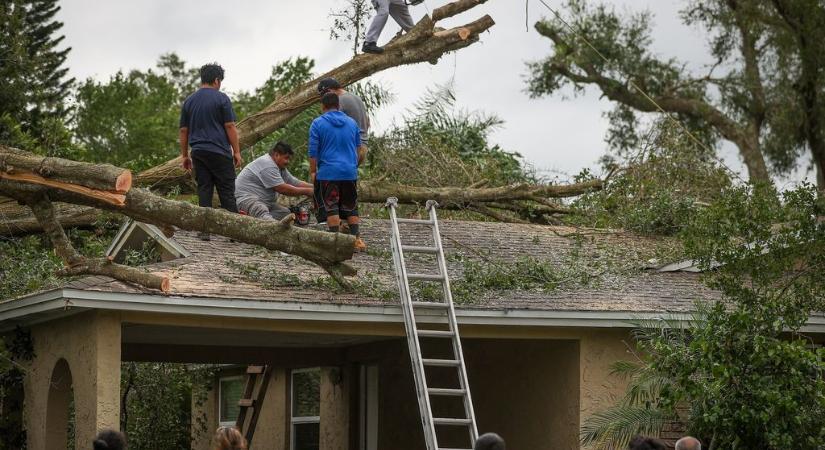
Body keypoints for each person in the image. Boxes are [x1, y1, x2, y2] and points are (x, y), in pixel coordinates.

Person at [180, 62, 242, 240]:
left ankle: (205, 230)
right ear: (216, 80)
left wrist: (185, 155)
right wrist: (236, 151)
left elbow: (184, 131)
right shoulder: (222, 98)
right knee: (227, 191)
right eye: (220, 81)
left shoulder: (189, 101)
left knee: (204, 189)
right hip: (220, 151)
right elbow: (229, 125)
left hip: (198, 151)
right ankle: (235, 232)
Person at [309, 92, 366, 251]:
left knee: (331, 206)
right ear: (339, 106)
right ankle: (357, 240)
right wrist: (351, 166)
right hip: (349, 172)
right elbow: (359, 148)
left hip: (328, 172)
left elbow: (313, 152)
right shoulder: (352, 123)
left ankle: (335, 242)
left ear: (323, 106)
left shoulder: (317, 123)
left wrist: (313, 171)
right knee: (351, 206)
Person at [315, 78, 370, 224]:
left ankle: (337, 229)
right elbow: (367, 122)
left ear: (329, 91)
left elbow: (332, 124)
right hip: (362, 147)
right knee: (347, 190)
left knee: (332, 191)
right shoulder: (355, 98)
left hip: (348, 150)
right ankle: (348, 229)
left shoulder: (341, 101)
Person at [235, 141, 313, 221]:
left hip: (265, 203)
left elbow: (295, 183)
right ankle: (265, 222)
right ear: (276, 155)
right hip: (247, 200)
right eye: (286, 158)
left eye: (289, 159)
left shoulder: (280, 167)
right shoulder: (267, 164)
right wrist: (307, 191)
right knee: (262, 211)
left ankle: (254, 220)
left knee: (285, 213)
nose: (288, 162)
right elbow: (282, 188)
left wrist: (317, 187)